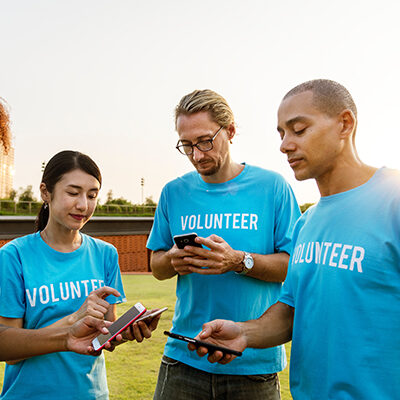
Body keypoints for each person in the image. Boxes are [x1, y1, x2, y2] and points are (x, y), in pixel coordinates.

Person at [189, 79, 400, 399]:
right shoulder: (307, 223)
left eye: (298, 130)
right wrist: (243, 332)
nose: (285, 144)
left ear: (345, 124)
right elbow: (289, 311)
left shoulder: (393, 201)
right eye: (281, 133)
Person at [147, 89, 300, 399]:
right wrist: (173, 259)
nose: (197, 154)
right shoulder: (173, 192)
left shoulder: (273, 187)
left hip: (253, 362)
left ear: (230, 131)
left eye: (205, 141)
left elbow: (293, 267)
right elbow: (156, 266)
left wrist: (239, 260)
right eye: (187, 145)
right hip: (183, 356)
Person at [0, 150, 156, 399]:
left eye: (92, 195)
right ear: (45, 192)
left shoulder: (105, 254)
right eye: (73, 193)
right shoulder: (14, 256)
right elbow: (8, 348)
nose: (83, 205)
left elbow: (102, 335)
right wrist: (73, 321)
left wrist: (124, 332)